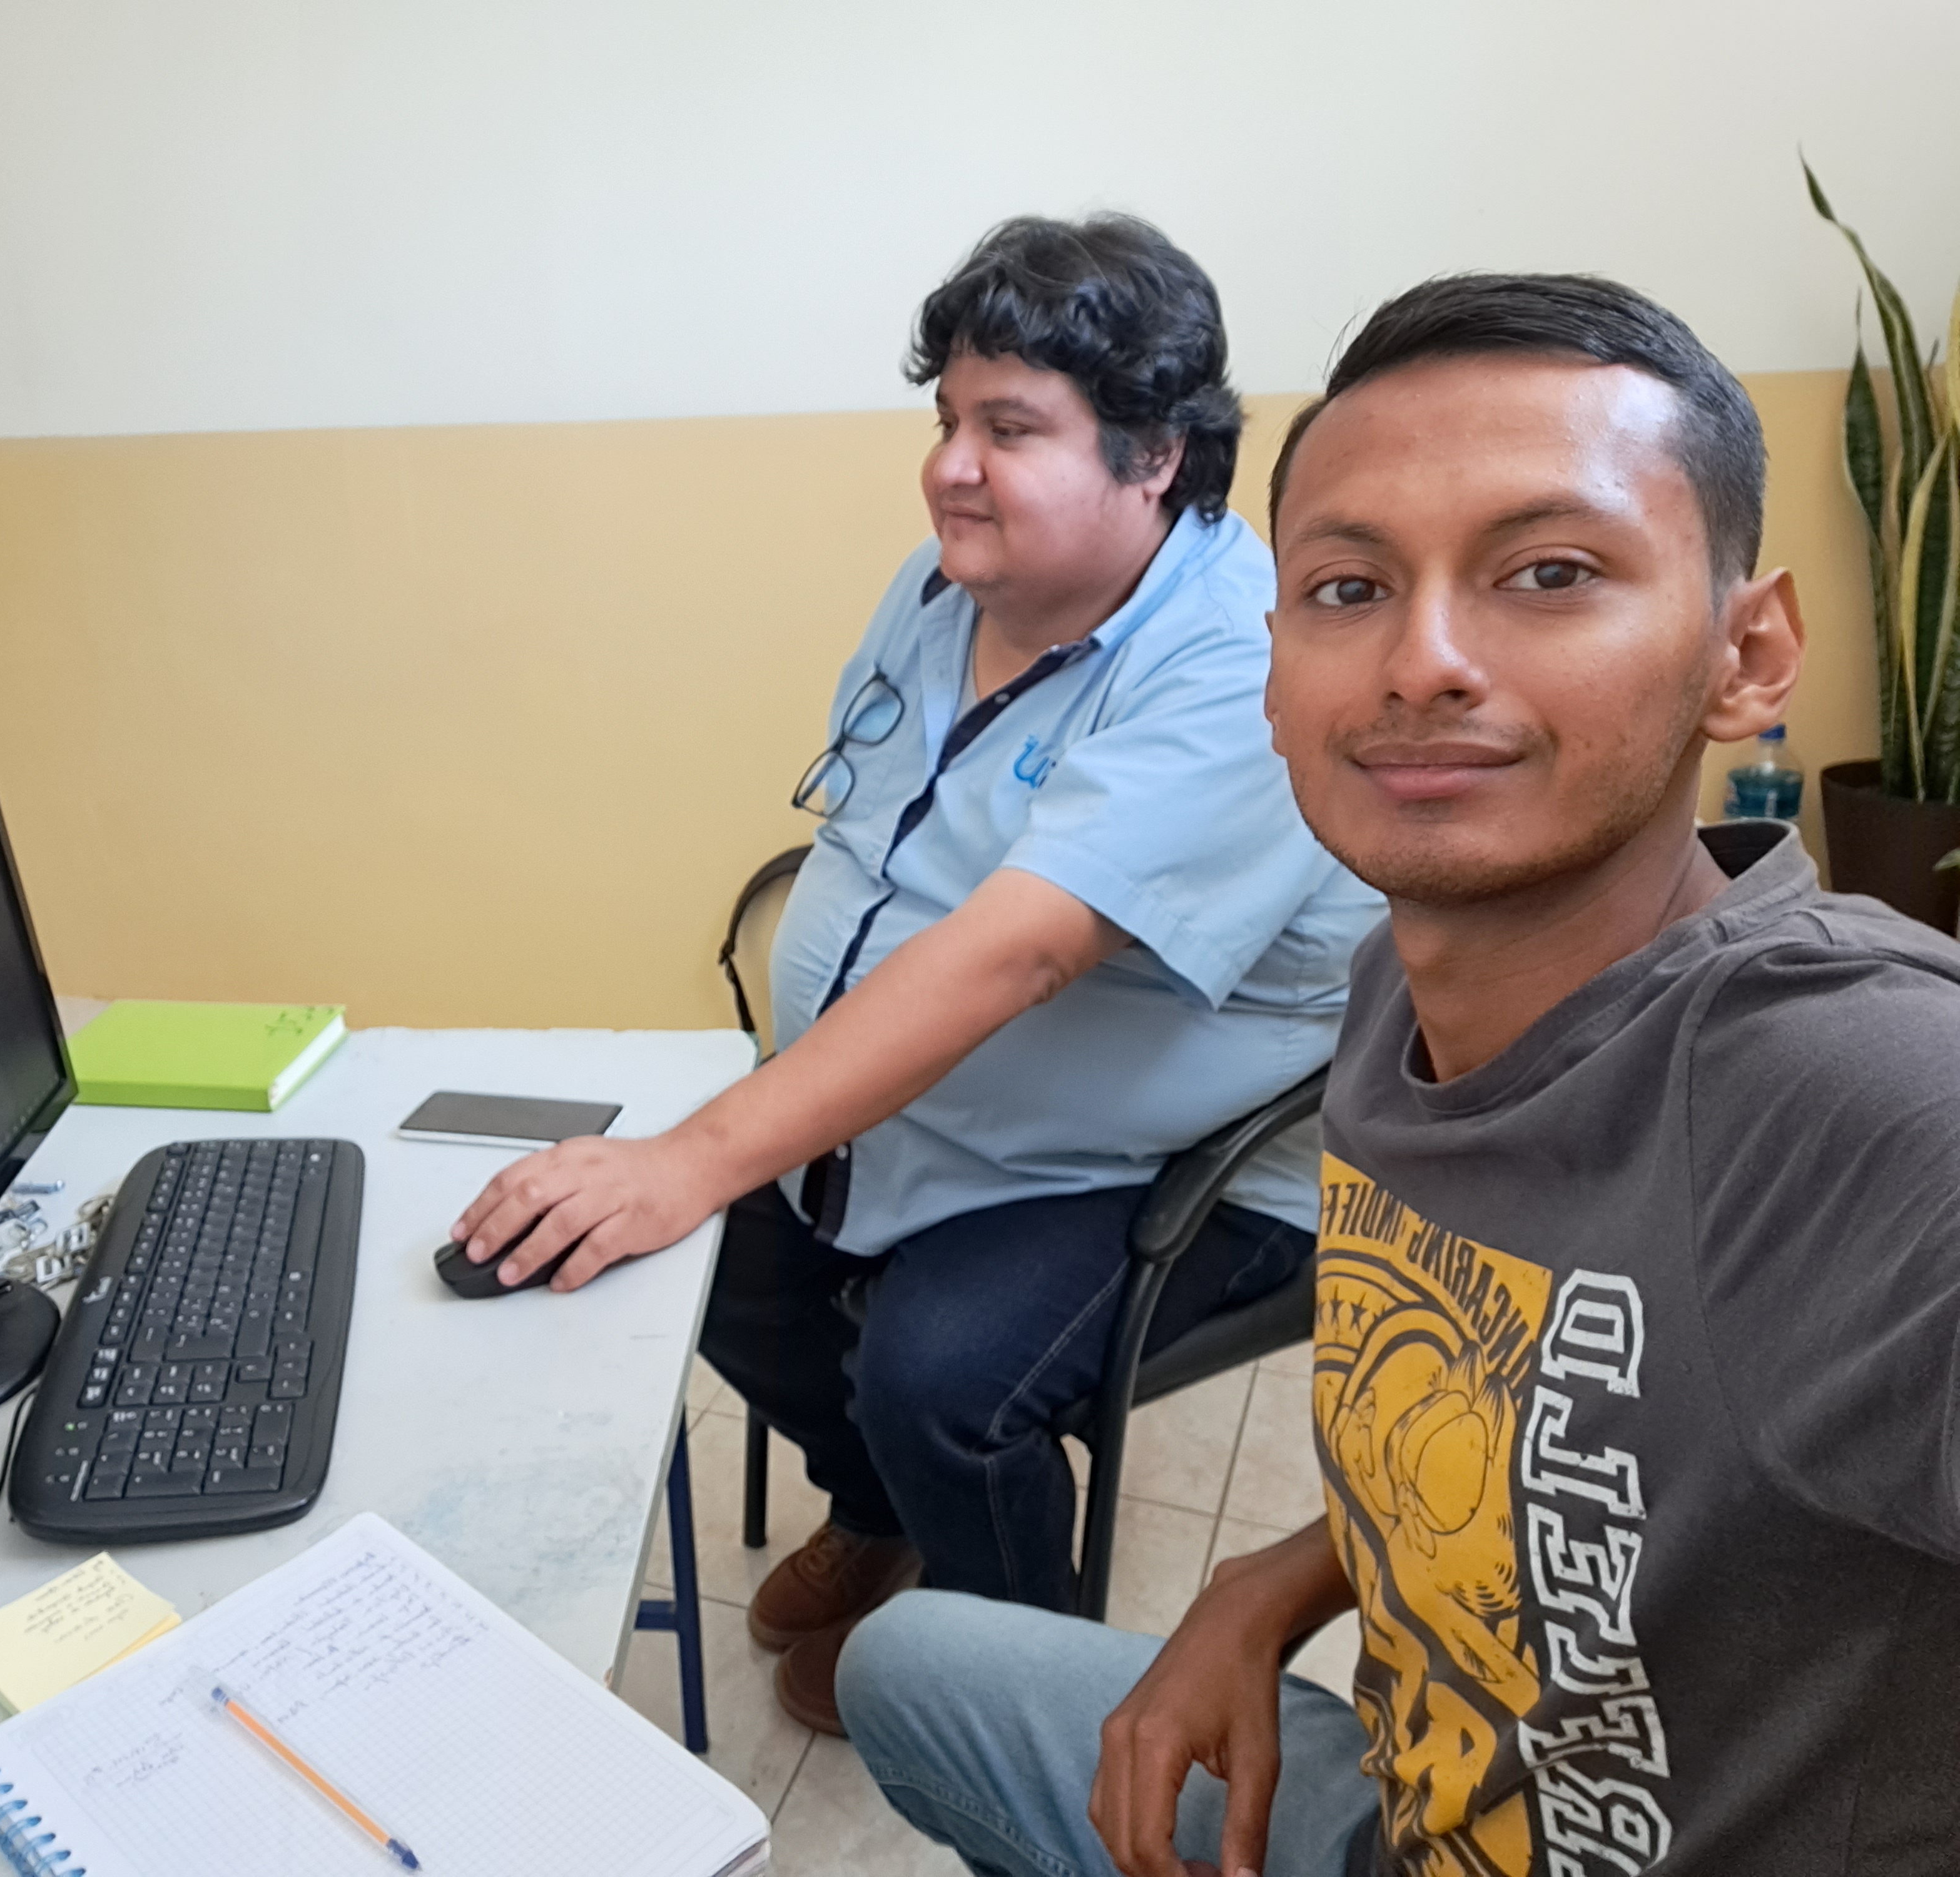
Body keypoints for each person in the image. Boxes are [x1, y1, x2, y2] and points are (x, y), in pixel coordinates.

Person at [838, 268, 1960, 1877]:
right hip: (1409, 1796)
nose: (1421, 661)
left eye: (1547, 572)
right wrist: (1280, 1580)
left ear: (1746, 650)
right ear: (1271, 669)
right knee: (907, 1665)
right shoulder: (1393, 991)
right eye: (1348, 588)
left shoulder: (1857, 1100)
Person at [449, 213, 1383, 1732]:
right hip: (942, 1112)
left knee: (936, 1375)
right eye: (945, 420)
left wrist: (697, 1153)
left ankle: (999, 1670)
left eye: (1008, 428)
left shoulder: (1235, 664)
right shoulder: (944, 591)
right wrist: (707, 1163)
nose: (951, 466)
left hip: (1162, 1164)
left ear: (1154, 456)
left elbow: (1019, 951)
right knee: (701, 1262)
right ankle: (876, 1510)